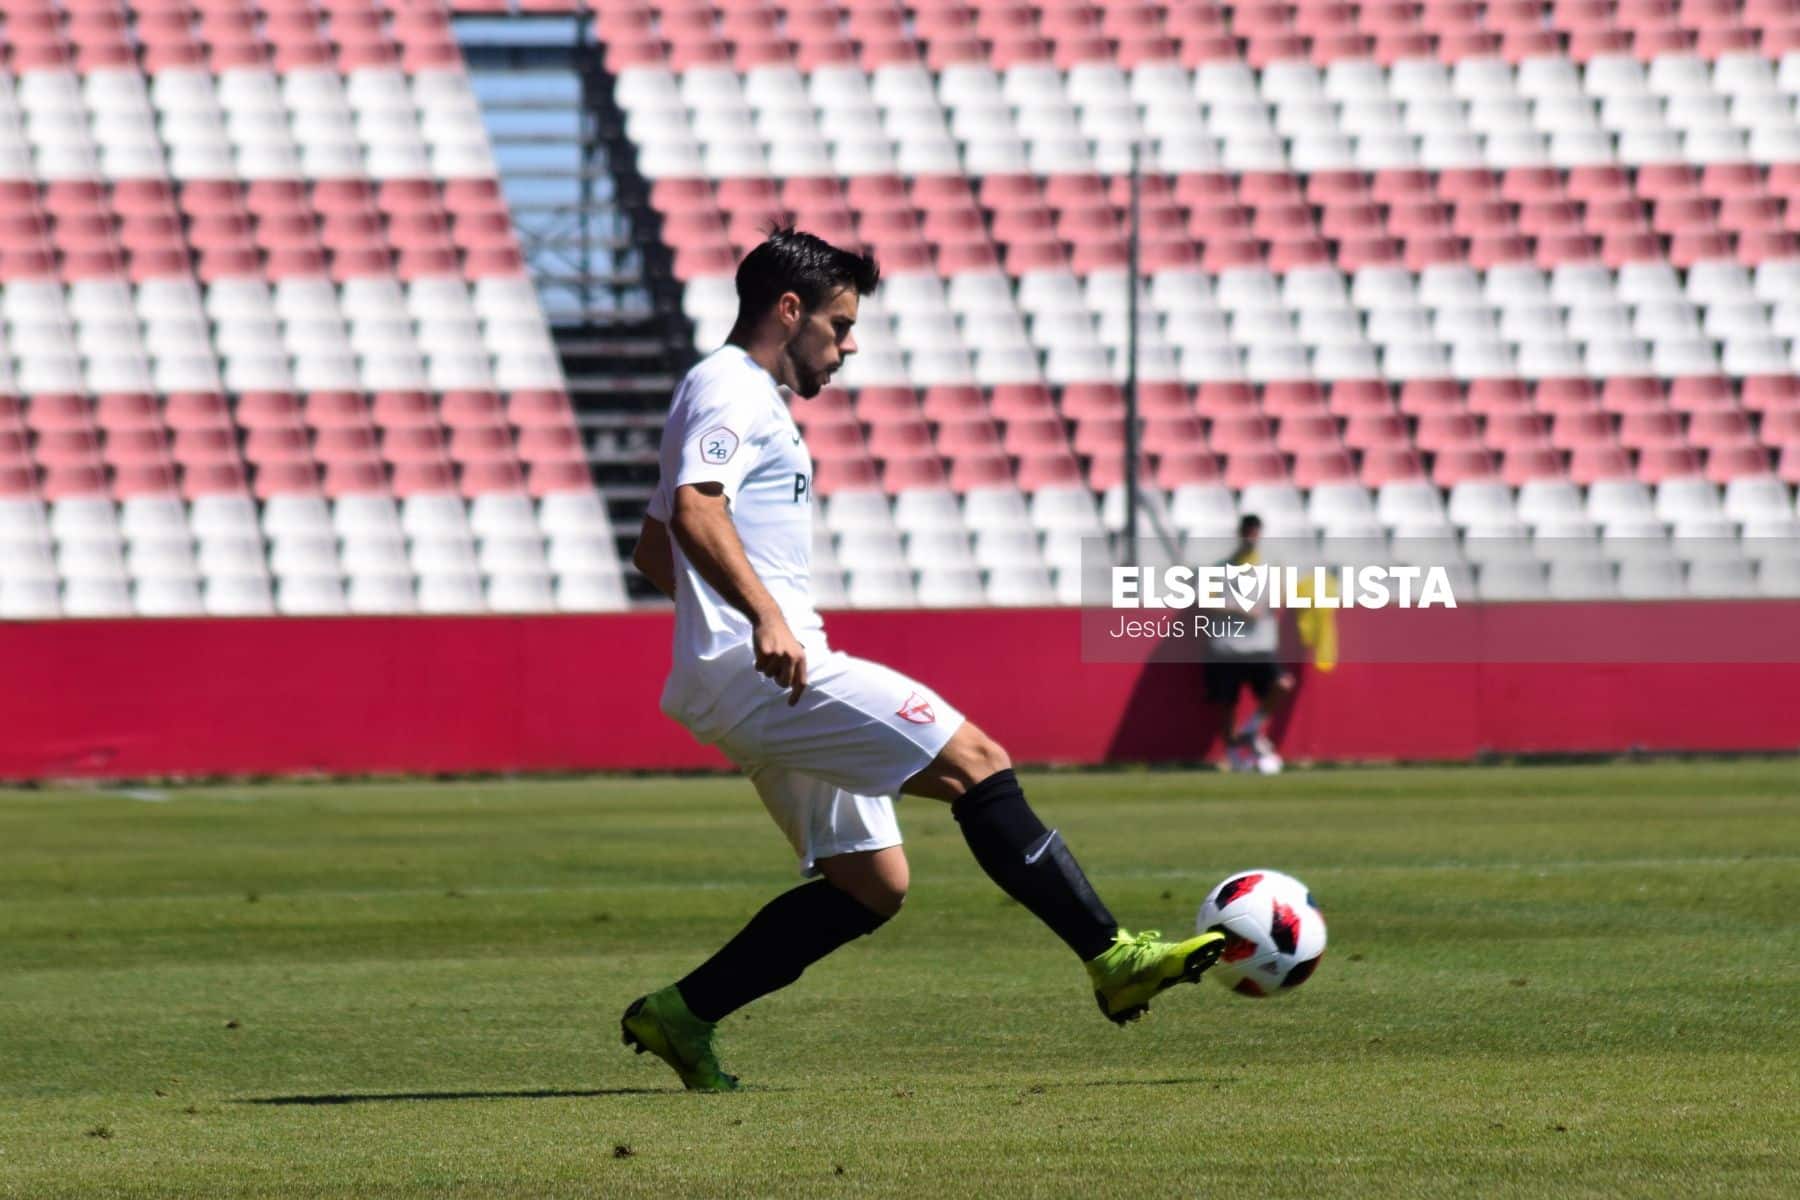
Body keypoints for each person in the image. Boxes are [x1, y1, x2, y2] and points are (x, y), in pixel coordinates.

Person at [623, 228, 1224, 1091]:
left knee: (872, 884)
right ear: (788, 311)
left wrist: (730, 622)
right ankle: (1111, 955)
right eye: (839, 324)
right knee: (979, 762)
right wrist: (761, 620)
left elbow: (656, 547)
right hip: (770, 672)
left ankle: (680, 1015)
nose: (849, 346)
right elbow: (694, 508)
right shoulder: (731, 389)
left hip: (755, 671)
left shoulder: (731, 396)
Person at [1204, 514, 1296, 774]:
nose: (1251, 536)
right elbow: (1207, 602)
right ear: (1240, 533)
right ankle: (1233, 753)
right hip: (1226, 647)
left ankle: (1251, 729)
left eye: (1255, 531)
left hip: (1260, 646)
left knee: (1282, 684)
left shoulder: (1271, 567)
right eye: (1247, 531)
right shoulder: (1220, 569)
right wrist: (1240, 609)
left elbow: (1279, 600)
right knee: (1226, 704)